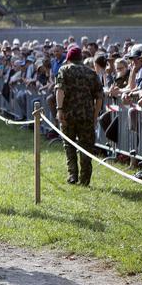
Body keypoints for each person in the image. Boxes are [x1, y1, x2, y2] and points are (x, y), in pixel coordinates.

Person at [55, 46, 103, 185]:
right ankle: (85, 179)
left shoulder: (64, 70)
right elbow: (99, 97)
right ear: (81, 58)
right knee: (86, 147)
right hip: (86, 116)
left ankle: (72, 175)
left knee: (69, 145)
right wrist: (95, 116)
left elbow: (60, 90)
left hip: (68, 115)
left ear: (69, 58)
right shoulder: (91, 73)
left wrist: (59, 109)